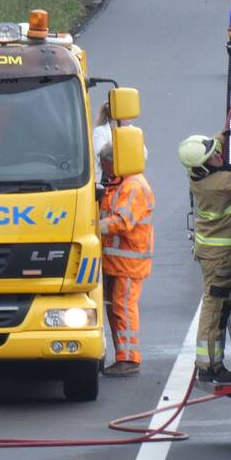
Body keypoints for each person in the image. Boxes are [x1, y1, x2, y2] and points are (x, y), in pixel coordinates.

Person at [178, 132, 231, 383]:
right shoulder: (218, 185)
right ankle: (208, 365)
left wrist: (219, 138)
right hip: (219, 259)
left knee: (220, 306)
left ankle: (212, 363)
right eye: (212, 155)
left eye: (216, 151)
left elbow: (213, 149)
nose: (218, 155)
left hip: (217, 255)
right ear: (203, 167)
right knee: (215, 309)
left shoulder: (201, 173)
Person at [98, 143, 155, 377]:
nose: (102, 167)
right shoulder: (119, 183)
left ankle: (129, 358)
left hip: (129, 263)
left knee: (123, 307)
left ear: (116, 161)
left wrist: (94, 226)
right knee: (114, 308)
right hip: (116, 262)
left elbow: (122, 222)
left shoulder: (133, 186)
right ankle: (122, 355)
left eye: (104, 162)